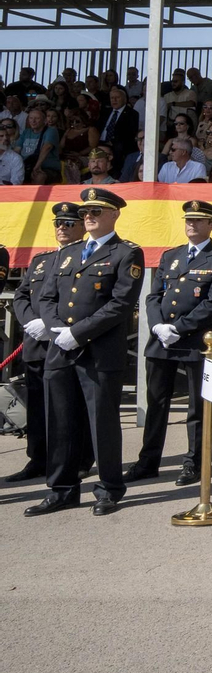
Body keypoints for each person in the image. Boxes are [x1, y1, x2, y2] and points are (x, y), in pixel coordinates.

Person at [26, 188, 140, 516]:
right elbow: (46, 298)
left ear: (114, 214)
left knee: (101, 423)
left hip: (99, 352)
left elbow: (120, 304)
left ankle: (108, 488)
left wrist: (78, 333)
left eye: (96, 211)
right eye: (85, 212)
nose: (87, 216)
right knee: (60, 422)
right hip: (60, 350)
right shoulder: (68, 253)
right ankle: (62, 489)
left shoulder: (126, 253)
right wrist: (57, 330)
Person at [129, 200, 212, 488]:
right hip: (162, 339)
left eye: (199, 220)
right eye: (189, 219)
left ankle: (194, 462)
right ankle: (148, 461)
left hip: (197, 342)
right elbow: (154, 296)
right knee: (156, 403)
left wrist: (178, 327)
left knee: (198, 406)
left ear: (211, 225)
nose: (192, 224)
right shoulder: (171, 255)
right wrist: (158, 325)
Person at [6, 202, 88, 485]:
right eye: (58, 223)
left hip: (64, 342)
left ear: (81, 226)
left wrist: (49, 325)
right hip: (36, 343)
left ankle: (78, 459)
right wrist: (30, 321)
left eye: (68, 223)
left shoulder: (86, 257)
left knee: (70, 408)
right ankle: (38, 458)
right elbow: (21, 295)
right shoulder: (41, 260)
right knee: (38, 407)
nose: (62, 228)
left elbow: (80, 301)